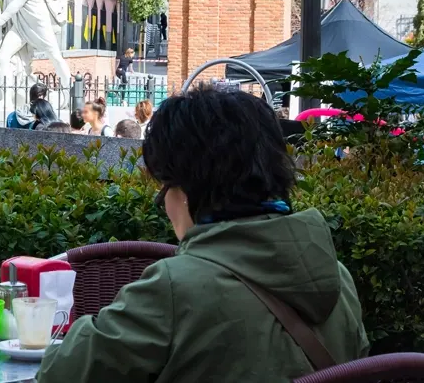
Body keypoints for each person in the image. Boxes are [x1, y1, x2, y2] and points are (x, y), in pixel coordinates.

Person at [38, 87, 369, 382]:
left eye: (163, 188)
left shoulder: (176, 286)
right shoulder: (339, 278)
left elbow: (63, 372)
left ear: (184, 190)